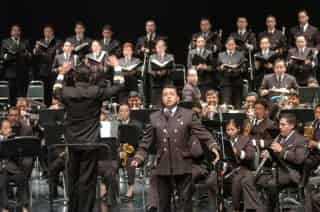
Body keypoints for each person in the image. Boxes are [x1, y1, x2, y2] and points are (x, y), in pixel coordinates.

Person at [131, 85, 220, 212]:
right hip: (163, 165)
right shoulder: (154, 117)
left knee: (185, 204)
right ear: (162, 98)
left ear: (178, 98)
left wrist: (213, 146)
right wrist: (139, 157)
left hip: (183, 165)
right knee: (163, 204)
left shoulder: (188, 114)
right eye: (165, 94)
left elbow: (202, 132)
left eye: (171, 94)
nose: (168, 97)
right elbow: (146, 141)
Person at [53, 65, 124, 212]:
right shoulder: (95, 91)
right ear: (90, 77)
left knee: (72, 177)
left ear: (74, 78)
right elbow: (119, 85)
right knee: (87, 180)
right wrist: (117, 67)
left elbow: (55, 90)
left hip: (72, 143)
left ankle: (73, 209)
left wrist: (61, 73)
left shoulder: (67, 91)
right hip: (90, 143)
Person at [241, 113, 307, 212]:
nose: (280, 127)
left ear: (292, 125)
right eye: (280, 124)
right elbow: (275, 155)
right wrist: (270, 154)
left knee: (271, 184)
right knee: (247, 180)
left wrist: (281, 150)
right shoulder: (279, 137)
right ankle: (257, 208)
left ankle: (270, 209)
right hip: (274, 171)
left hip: (289, 172)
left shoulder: (300, 139)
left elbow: (299, 159)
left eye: (283, 125)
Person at [0, 119, 29, 212]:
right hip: (1, 170)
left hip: (13, 170)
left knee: (23, 179)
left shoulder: (14, 141)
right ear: (0, 130)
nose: (8, 130)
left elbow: (18, 158)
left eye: (9, 128)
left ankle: (23, 206)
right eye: (5, 128)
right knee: (1, 183)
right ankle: (5, 208)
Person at [0, 25, 32, 106]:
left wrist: (27, 54)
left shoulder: (25, 42)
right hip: (11, 72)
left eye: (18, 30)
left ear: (20, 32)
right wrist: (10, 56)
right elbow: (2, 55)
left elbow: (30, 56)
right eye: (14, 30)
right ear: (11, 32)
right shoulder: (5, 42)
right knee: (12, 94)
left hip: (23, 72)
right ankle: (12, 110)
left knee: (22, 94)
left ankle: (22, 112)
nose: (16, 32)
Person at [117, 104, 143, 200]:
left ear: (129, 112)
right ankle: (108, 189)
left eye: (126, 111)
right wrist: (119, 150)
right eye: (121, 111)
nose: (123, 113)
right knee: (109, 161)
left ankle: (130, 189)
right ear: (118, 113)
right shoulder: (116, 125)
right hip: (119, 153)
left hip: (134, 152)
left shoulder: (137, 125)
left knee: (131, 160)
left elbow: (141, 142)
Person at [33, 25, 62, 106]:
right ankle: (44, 107)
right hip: (43, 71)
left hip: (53, 70)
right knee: (44, 91)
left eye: (49, 31)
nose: (47, 33)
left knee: (53, 91)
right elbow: (35, 55)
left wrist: (42, 52)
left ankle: (54, 107)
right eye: (45, 31)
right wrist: (36, 49)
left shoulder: (58, 42)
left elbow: (51, 56)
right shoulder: (40, 41)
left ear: (53, 32)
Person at [217, 37, 246, 108]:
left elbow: (243, 68)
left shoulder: (240, 54)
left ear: (235, 45)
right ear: (226, 45)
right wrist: (221, 68)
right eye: (229, 44)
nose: (231, 46)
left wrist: (234, 70)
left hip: (237, 83)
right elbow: (217, 67)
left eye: (232, 44)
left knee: (237, 105)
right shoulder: (221, 55)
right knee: (225, 105)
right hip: (225, 83)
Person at [148, 39, 174, 106]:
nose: (160, 48)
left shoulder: (170, 57)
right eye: (158, 46)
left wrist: (166, 71)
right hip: (156, 83)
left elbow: (173, 68)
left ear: (165, 47)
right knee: (157, 105)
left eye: (162, 46)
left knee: (167, 104)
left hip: (167, 82)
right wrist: (157, 73)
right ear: (156, 48)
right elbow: (149, 70)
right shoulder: (152, 57)